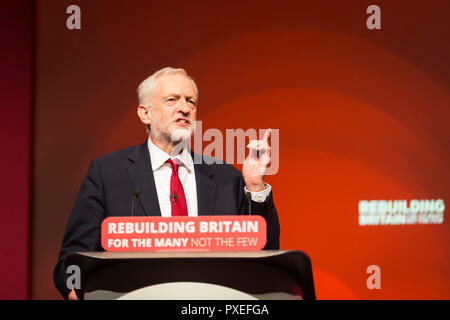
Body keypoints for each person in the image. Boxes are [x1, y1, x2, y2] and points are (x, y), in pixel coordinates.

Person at [53, 67, 280, 300]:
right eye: (172, 99)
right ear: (145, 114)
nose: (184, 108)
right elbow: (71, 260)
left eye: (191, 101)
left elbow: (266, 254)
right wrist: (75, 292)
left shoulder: (226, 178)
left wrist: (254, 187)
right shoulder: (108, 174)